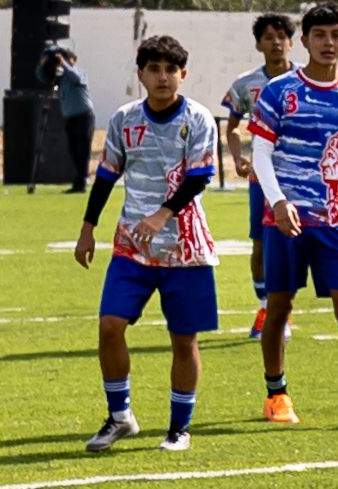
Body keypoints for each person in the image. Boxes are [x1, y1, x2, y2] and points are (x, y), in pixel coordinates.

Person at [248, 1, 338, 432]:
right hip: (287, 219)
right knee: (279, 305)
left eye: (336, 35)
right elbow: (261, 151)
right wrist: (277, 201)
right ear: (305, 41)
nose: (329, 43)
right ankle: (276, 393)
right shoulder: (280, 91)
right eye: (320, 35)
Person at [77, 35, 222, 453]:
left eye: (170, 70)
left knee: (183, 339)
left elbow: (198, 176)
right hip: (132, 248)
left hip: (187, 249)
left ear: (182, 74)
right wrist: (88, 227)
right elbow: (106, 175)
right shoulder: (124, 119)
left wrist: (161, 215)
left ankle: (179, 428)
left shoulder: (197, 119)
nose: (162, 77)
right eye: (154, 69)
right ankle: (120, 416)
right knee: (109, 326)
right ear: (140, 74)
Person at [221, 12, 295, 337]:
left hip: (301, 177)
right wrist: (238, 158)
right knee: (262, 245)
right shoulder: (245, 84)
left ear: (292, 42)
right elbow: (233, 128)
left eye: (281, 36)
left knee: (298, 246)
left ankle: (283, 308)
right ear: (258, 44)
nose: (276, 42)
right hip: (262, 180)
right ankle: (267, 307)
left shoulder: (306, 81)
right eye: (269, 37)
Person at [51, 47, 96, 198]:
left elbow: (76, 78)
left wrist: (64, 63)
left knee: (82, 150)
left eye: (66, 59)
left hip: (84, 116)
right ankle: (78, 181)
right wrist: (45, 64)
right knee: (74, 151)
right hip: (70, 118)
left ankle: (81, 183)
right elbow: (44, 78)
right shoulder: (62, 78)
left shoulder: (79, 72)